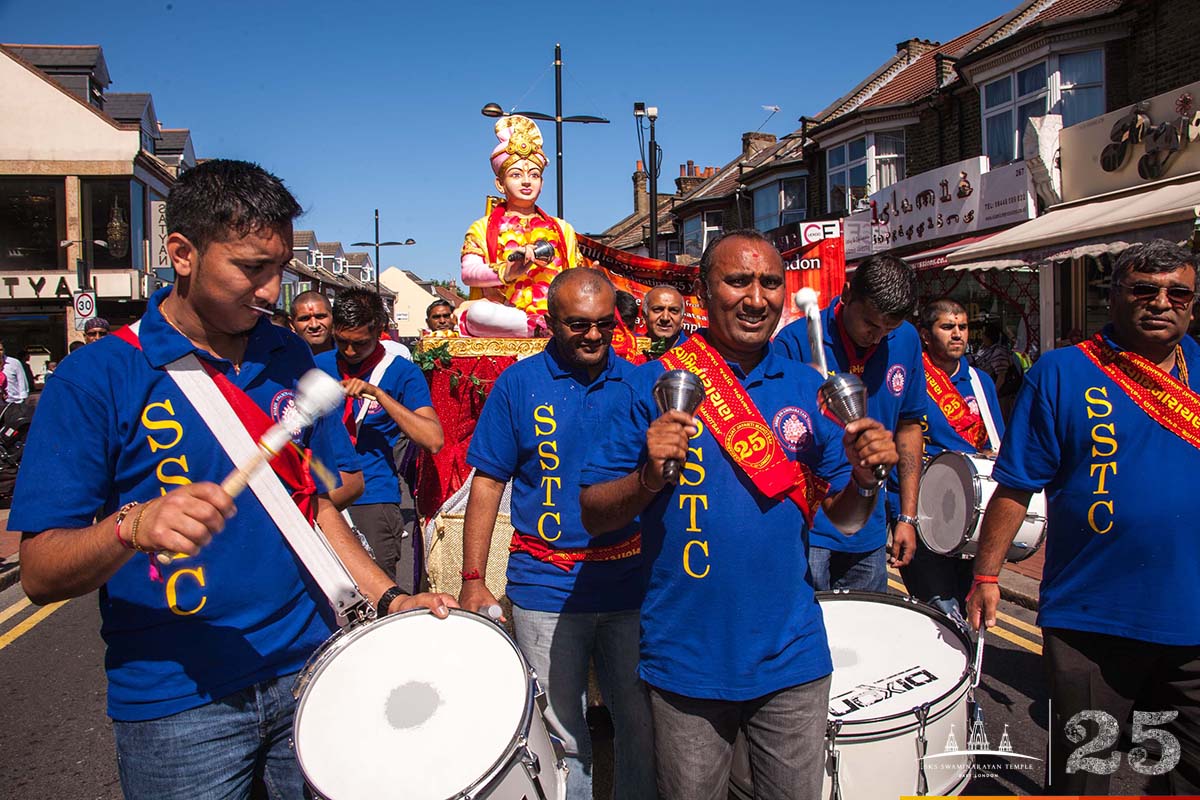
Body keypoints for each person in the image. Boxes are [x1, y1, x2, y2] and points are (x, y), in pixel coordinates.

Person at [9, 159, 455, 800]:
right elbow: (41, 572)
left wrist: (388, 599)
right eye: (251, 268)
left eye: (279, 268)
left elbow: (316, 508)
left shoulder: (287, 356)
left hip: (310, 673)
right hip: (179, 704)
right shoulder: (96, 378)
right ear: (182, 253)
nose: (272, 291)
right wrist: (131, 526)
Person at [579, 230, 898, 800]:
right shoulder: (649, 384)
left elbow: (844, 521)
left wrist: (868, 481)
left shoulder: (810, 388)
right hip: (686, 659)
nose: (757, 298)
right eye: (738, 281)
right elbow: (593, 513)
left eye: (771, 282)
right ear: (703, 291)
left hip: (792, 656)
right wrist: (648, 477)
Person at [967, 240, 1200, 795]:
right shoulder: (1062, 373)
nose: (1161, 302)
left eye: (1178, 293)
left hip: (1191, 626)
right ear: (1112, 295)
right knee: (1086, 777)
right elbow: (1016, 486)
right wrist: (986, 573)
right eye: (1144, 289)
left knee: (1178, 775)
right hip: (1092, 624)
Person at [459, 268, 656, 800]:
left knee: (640, 728)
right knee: (562, 736)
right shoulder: (518, 385)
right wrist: (473, 577)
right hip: (545, 590)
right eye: (577, 325)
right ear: (549, 322)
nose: (593, 336)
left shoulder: (642, 383)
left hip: (628, 587)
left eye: (602, 325)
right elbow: (489, 483)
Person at [773, 254, 924, 591]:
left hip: (870, 529)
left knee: (864, 636)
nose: (878, 336)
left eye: (889, 329)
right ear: (847, 293)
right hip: (810, 531)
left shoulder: (907, 340)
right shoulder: (795, 343)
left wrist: (907, 516)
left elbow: (909, 427)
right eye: (871, 323)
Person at [316, 288, 444, 592]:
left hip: (372, 498)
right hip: (320, 493)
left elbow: (433, 438)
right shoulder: (315, 365)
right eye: (342, 342)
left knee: (374, 596)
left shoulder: (401, 372)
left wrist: (380, 395)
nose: (348, 352)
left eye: (359, 344)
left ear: (379, 331)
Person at [903, 298, 1003, 620]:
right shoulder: (909, 378)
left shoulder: (980, 382)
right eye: (947, 327)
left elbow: (995, 441)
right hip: (926, 512)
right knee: (940, 610)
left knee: (970, 607)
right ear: (926, 335)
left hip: (971, 514)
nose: (957, 334)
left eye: (962, 327)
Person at [459, 115, 581, 337]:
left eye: (534, 175)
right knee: (478, 313)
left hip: (556, 312)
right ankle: (537, 327)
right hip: (506, 314)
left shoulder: (563, 229)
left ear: (541, 183)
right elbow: (468, 273)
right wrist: (508, 271)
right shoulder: (482, 227)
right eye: (516, 175)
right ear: (500, 183)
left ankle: (550, 325)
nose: (526, 181)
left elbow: (574, 276)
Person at [643, 284, 686, 357]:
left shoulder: (697, 356)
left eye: (673, 311)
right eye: (658, 309)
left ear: (682, 319)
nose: (665, 318)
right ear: (644, 316)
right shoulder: (631, 351)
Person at [290, 290, 334, 354]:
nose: (314, 325)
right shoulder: (283, 360)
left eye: (320, 316)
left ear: (333, 318)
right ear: (292, 325)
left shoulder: (350, 357)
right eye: (305, 318)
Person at [0, 341, 29, 409]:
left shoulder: (14, 363)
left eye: (0, 349)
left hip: (13, 403)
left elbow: (22, 382)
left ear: (4, 350)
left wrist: (22, 401)